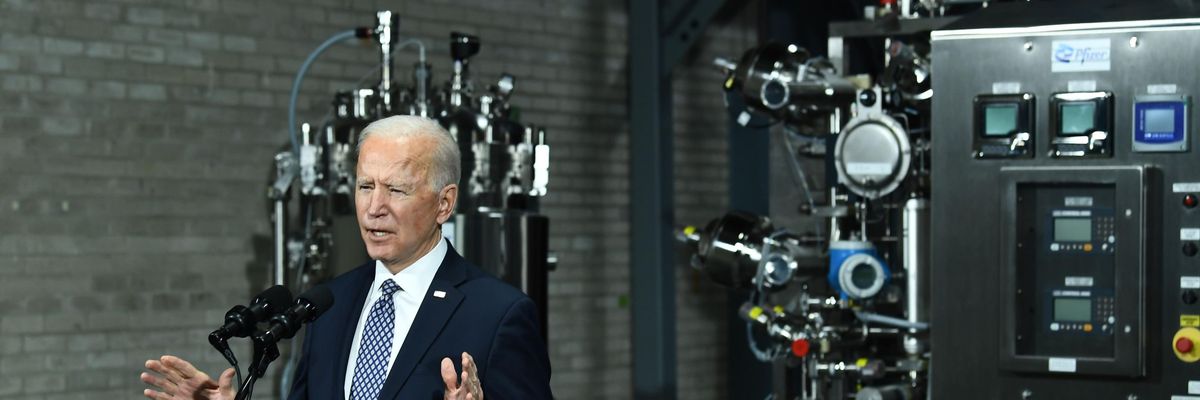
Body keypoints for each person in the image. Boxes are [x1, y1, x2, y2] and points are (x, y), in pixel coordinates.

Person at [140, 116, 553, 399]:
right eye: (364, 186)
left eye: (397, 189)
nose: (374, 207)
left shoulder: (498, 315)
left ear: (444, 204)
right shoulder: (329, 304)